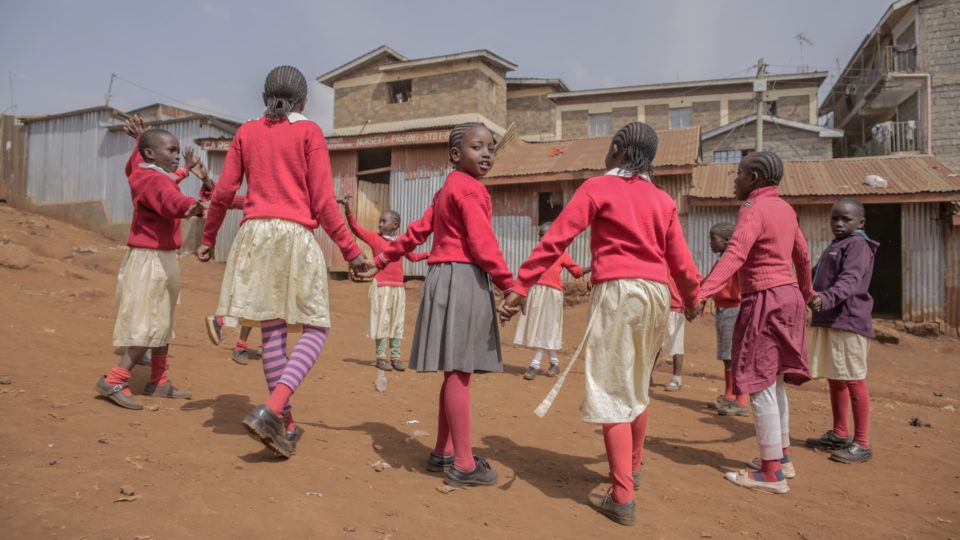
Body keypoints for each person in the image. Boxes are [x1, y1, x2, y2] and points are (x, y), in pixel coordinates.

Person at [500, 122, 701, 526]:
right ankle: (634, 467)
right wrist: (692, 299)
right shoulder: (662, 200)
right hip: (657, 295)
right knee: (639, 383)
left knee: (611, 388)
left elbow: (556, 240)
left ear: (616, 149)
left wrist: (522, 285)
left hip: (618, 294)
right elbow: (679, 259)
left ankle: (622, 497)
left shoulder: (597, 188)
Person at [197, 65, 367, 458]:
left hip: (253, 236)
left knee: (272, 332)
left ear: (263, 98)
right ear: (305, 101)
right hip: (292, 237)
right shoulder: (309, 132)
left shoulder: (246, 132)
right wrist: (352, 251)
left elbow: (223, 192)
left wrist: (208, 238)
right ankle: (273, 410)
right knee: (316, 327)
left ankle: (285, 426)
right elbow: (323, 202)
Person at [355, 122, 513, 488]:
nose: (487, 153)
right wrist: (509, 284)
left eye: (491, 147)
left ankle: (443, 451)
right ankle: (463, 463)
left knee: (453, 370)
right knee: (460, 371)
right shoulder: (470, 190)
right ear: (456, 155)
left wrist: (379, 261)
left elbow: (415, 233)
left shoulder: (447, 190)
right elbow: (483, 243)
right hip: (463, 278)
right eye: (478, 147)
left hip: (442, 277)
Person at [695, 151, 814, 495]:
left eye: (740, 174)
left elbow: (735, 254)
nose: (735, 180)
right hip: (789, 298)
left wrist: (703, 292)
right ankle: (784, 457)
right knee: (774, 381)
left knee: (759, 383)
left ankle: (771, 473)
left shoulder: (752, 209)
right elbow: (803, 256)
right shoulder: (787, 210)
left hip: (764, 299)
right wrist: (808, 292)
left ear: (756, 178)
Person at [95, 128, 205, 409]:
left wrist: (186, 171)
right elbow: (168, 200)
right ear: (149, 153)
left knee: (163, 320)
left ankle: (159, 380)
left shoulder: (153, 175)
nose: (177, 155)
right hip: (151, 259)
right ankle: (116, 379)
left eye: (178, 150)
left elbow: (168, 184)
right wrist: (190, 206)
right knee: (151, 320)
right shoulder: (149, 178)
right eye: (170, 150)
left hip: (162, 256)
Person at [805, 198, 877, 464]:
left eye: (845, 219)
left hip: (848, 321)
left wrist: (825, 298)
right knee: (836, 377)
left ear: (861, 222)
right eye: (834, 218)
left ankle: (862, 443)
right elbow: (813, 276)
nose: (838, 223)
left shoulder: (858, 245)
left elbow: (849, 280)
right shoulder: (837, 245)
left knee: (853, 378)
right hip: (830, 320)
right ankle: (840, 433)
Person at [340, 195, 428, 371]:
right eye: (380, 221)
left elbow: (414, 257)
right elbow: (356, 229)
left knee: (397, 322)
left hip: (398, 289)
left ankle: (395, 357)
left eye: (384, 221)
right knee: (382, 321)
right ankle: (381, 357)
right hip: (381, 286)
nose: (380, 224)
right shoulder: (374, 238)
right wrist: (348, 210)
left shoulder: (401, 242)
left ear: (395, 225)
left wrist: (430, 254)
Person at [512, 221, 586, 380]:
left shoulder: (562, 254)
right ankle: (554, 362)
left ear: (552, 235)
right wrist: (522, 292)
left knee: (546, 328)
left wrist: (595, 264)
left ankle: (535, 365)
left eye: (544, 235)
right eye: (539, 236)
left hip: (553, 295)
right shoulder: (537, 253)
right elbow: (528, 272)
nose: (541, 239)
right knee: (541, 329)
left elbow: (577, 272)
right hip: (536, 292)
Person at [707, 222, 749, 416]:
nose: (710, 243)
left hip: (733, 309)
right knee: (727, 355)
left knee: (734, 356)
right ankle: (730, 395)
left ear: (726, 241)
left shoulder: (732, 262)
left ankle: (740, 399)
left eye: (713, 239)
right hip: (726, 310)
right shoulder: (725, 259)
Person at [660, 278, 686, 392]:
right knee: (654, 344)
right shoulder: (660, 261)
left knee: (677, 344)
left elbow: (693, 278)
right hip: (660, 305)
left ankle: (676, 378)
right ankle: (646, 376)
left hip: (677, 307)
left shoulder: (681, 261)